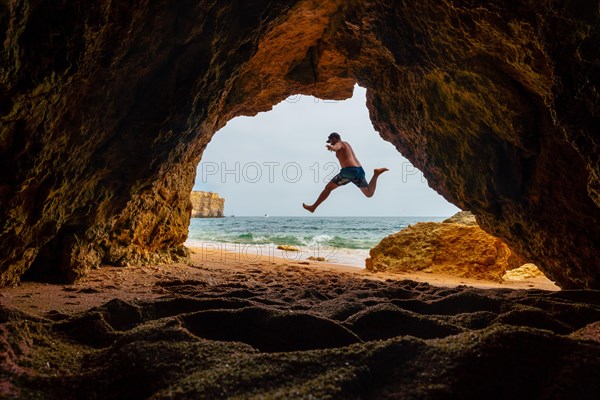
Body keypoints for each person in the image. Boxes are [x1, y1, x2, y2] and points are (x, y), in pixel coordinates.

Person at [303, 132, 388, 213]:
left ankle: (313, 207)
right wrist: (333, 147)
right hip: (359, 171)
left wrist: (332, 148)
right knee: (369, 193)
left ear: (334, 138)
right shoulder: (347, 144)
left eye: (331, 141)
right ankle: (376, 174)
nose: (331, 143)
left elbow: (337, 146)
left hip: (349, 171)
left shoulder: (340, 143)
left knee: (328, 188)